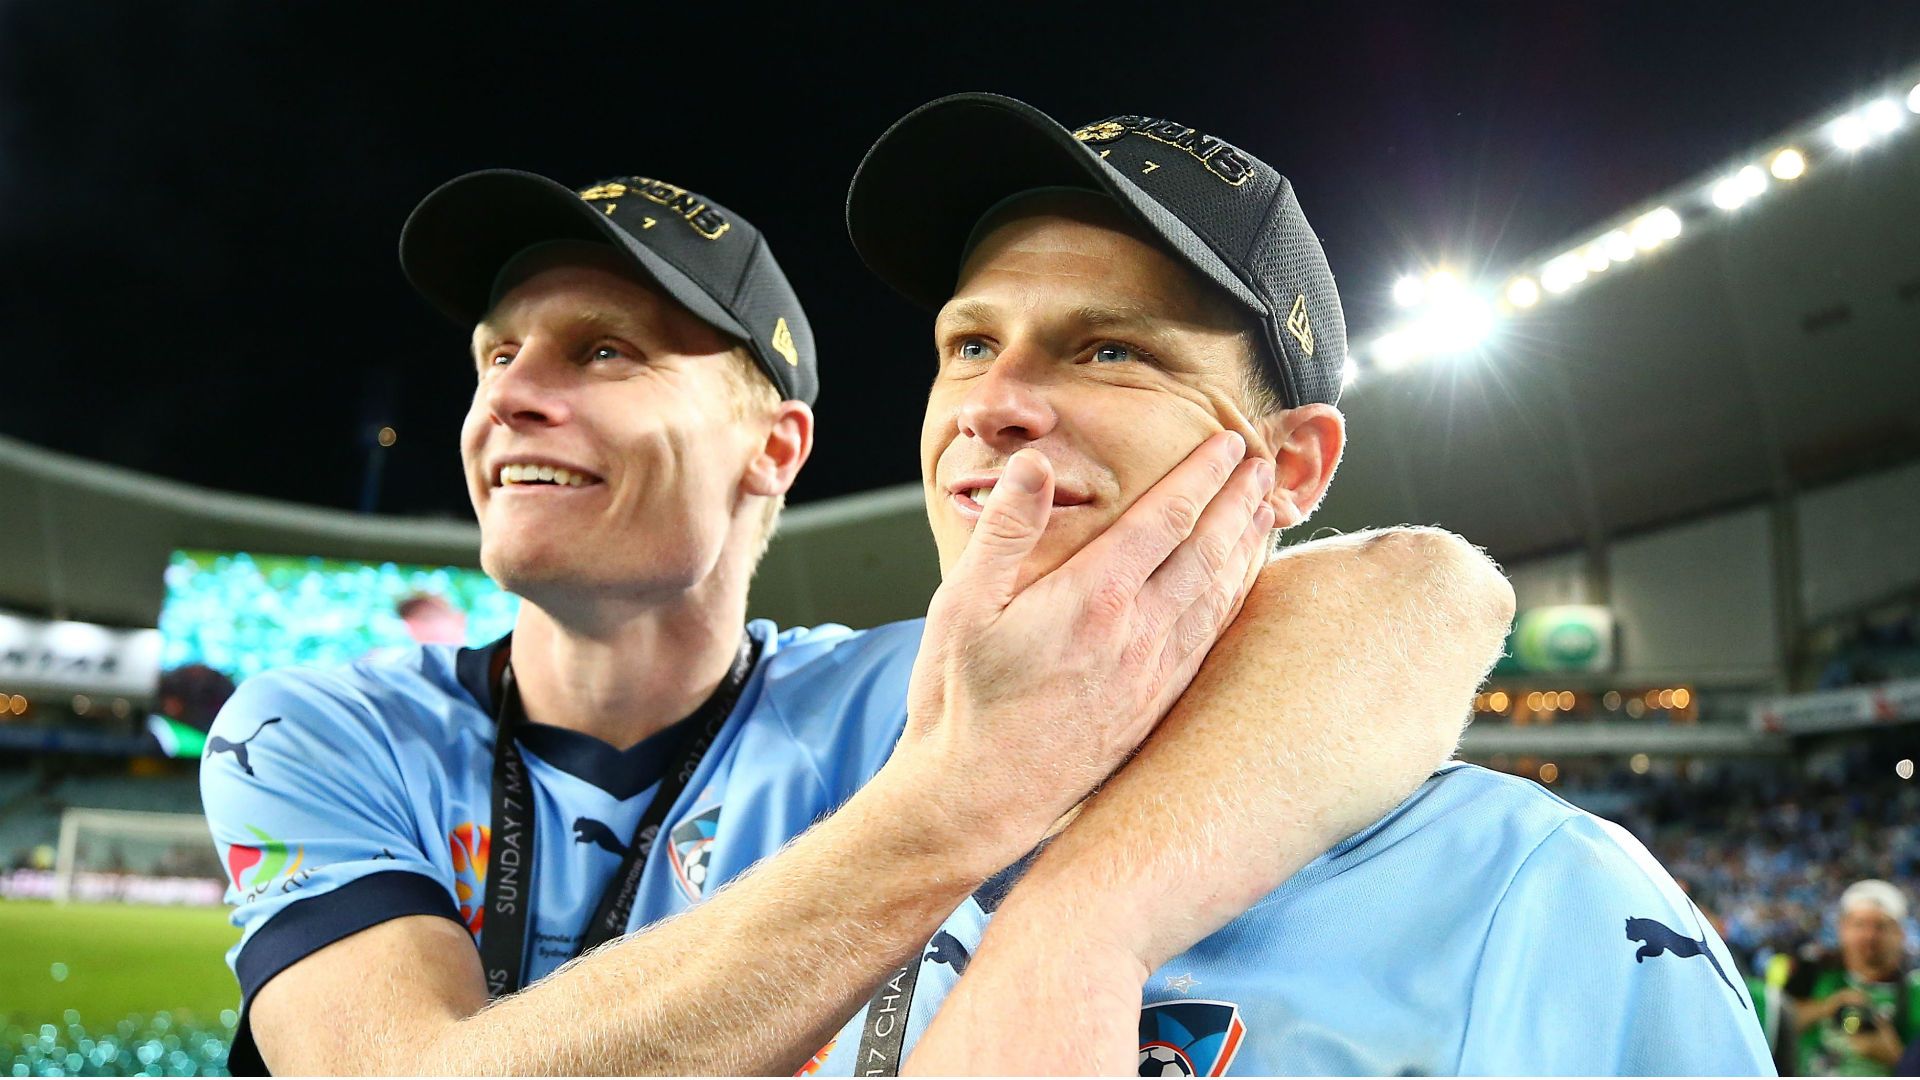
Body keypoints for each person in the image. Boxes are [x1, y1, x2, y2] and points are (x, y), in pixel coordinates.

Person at [201, 165, 1510, 1075]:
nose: (512, 398)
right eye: (497, 355)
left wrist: (1076, 931)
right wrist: (949, 808)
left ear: (775, 446)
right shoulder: (318, 728)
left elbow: (1423, 593)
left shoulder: (891, 697)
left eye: (604, 351)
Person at [794, 92, 1778, 1076]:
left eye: (1111, 349)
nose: (993, 403)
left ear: (1294, 465)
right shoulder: (822, 865)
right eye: (970, 345)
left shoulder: (1534, 897)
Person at [1788, 880, 1919, 1076]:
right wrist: (1828, 1007)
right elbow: (1774, 1024)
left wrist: (1898, 1058)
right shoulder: (1813, 973)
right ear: (1842, 929)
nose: (1869, 935)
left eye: (1881, 926)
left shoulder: (1914, 991)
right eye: (1859, 924)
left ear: (1900, 933)